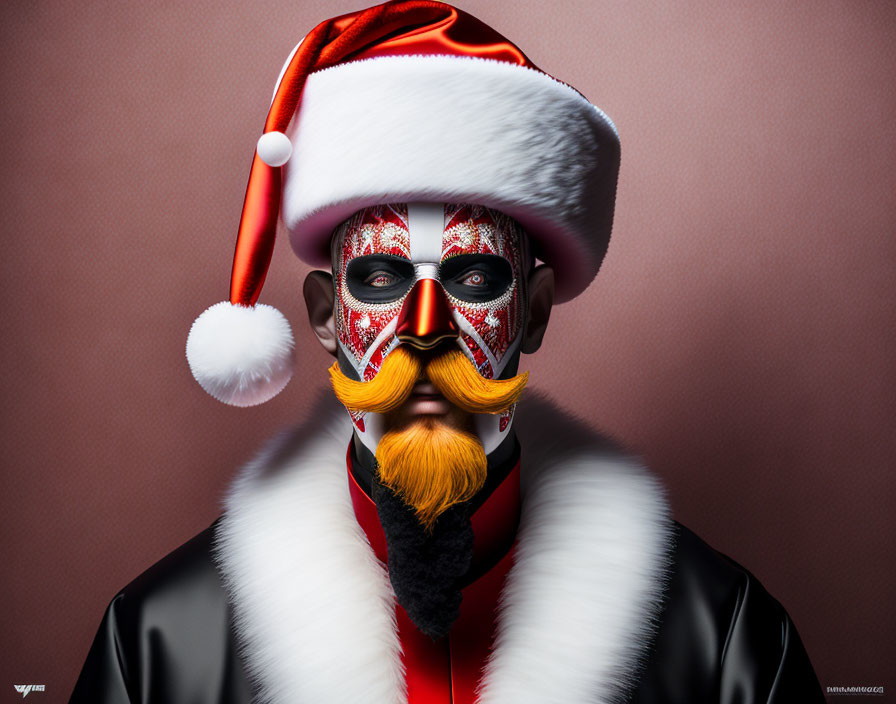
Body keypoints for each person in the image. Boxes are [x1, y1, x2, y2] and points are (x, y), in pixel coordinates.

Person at [70, 2, 825, 702]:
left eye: (472, 275)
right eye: (379, 276)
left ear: (531, 314)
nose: (424, 325)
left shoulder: (726, 642)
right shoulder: (157, 645)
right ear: (326, 316)